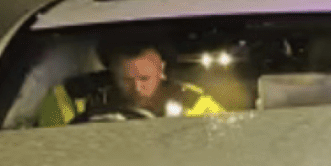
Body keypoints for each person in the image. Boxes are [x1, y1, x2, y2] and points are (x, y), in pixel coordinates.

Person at [36, 40, 225, 127]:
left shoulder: (194, 103)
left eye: (145, 79)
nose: (137, 88)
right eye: (126, 79)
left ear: (161, 71)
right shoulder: (72, 100)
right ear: (112, 74)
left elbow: (220, 142)